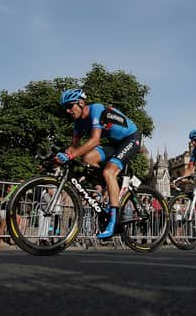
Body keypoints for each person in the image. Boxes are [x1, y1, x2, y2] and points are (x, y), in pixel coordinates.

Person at [55, 88, 141, 239]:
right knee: (87, 158)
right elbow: (73, 147)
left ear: (81, 103)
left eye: (70, 106)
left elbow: (95, 140)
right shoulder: (78, 123)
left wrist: (70, 155)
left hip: (131, 138)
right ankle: (112, 184)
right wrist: (58, 158)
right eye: (65, 108)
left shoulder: (97, 110)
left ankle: (114, 221)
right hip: (115, 143)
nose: (68, 111)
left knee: (108, 171)